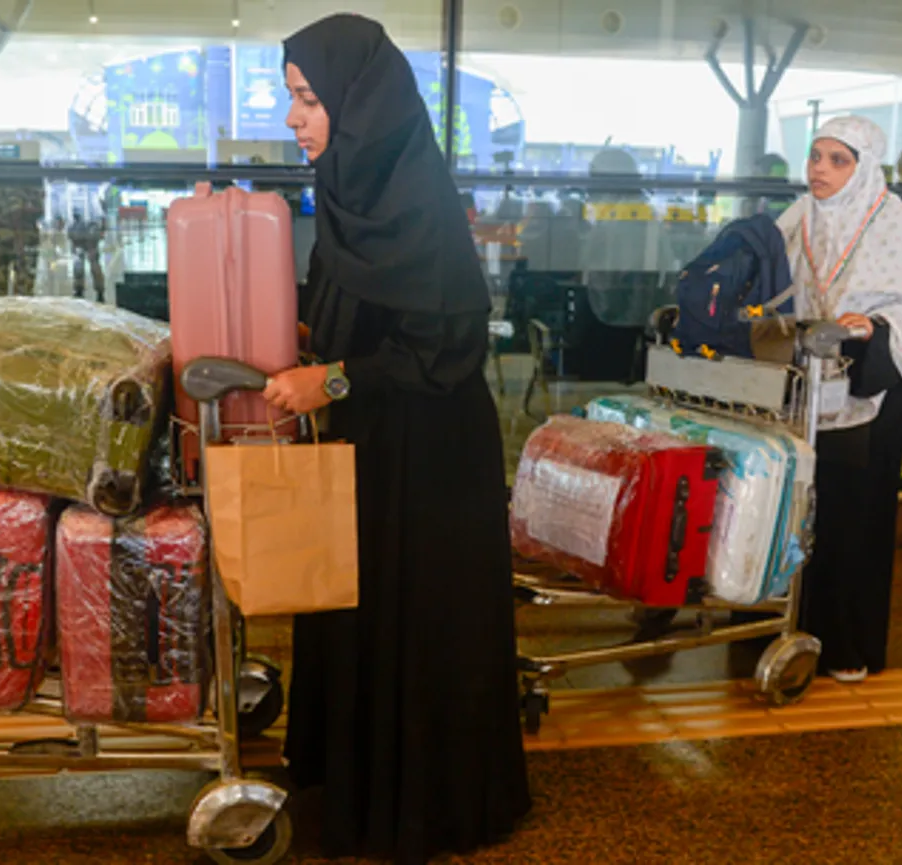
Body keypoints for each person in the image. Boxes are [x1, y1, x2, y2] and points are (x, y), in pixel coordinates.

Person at [263, 15, 531, 863]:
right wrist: (298, 342)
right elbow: (353, 318)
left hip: (429, 459)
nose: (294, 118)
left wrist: (332, 380)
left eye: (309, 100)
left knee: (416, 622)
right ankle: (354, 785)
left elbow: (440, 349)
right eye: (291, 98)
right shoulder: (348, 195)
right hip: (371, 445)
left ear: (360, 106)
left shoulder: (419, 206)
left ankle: (421, 808)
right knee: (356, 605)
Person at [778, 117, 902, 683]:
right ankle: (785, 627)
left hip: (870, 386)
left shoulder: (895, 225)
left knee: (850, 517)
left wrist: (878, 323)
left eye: (838, 160)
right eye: (815, 156)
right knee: (797, 507)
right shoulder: (799, 217)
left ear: (864, 168)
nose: (820, 169)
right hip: (808, 386)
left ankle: (845, 644)